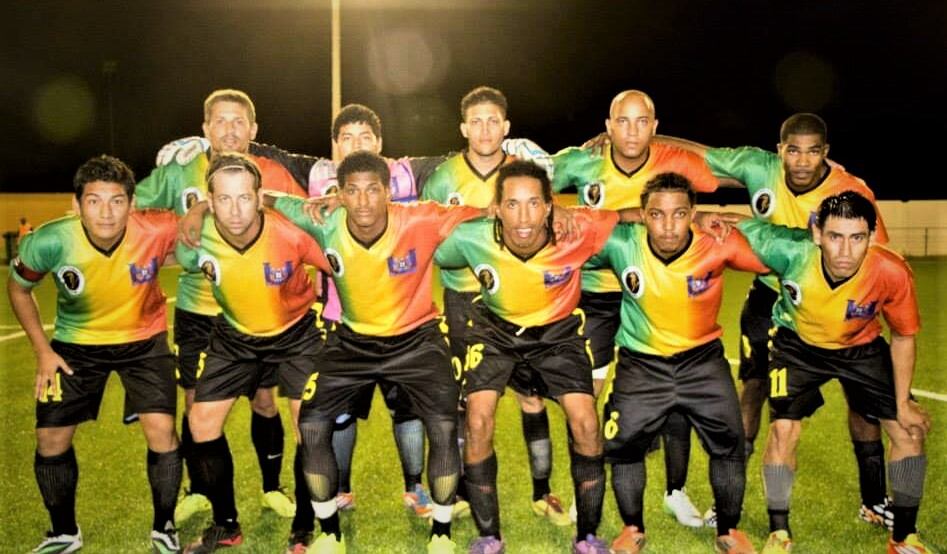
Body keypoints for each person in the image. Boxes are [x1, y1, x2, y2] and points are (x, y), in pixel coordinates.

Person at [659, 113, 894, 529]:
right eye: (793, 151)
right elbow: (697, 157)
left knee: (864, 406)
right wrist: (646, 140)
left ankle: (874, 501)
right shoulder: (758, 166)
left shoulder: (848, 190)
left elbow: (877, 250)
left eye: (813, 151)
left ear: (826, 153)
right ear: (780, 149)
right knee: (751, 391)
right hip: (769, 298)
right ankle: (727, 501)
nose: (802, 162)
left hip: (831, 302)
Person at [272, 151, 486, 553]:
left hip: (417, 339)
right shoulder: (324, 220)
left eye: (374, 190)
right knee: (313, 425)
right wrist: (200, 209)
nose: (364, 201)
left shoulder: (420, 218)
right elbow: (263, 198)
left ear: (389, 193)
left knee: (443, 426)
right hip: (351, 341)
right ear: (340, 194)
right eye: (352, 191)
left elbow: (484, 211)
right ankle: (329, 532)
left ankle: (440, 533)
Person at [435, 160, 640, 553]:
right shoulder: (472, 237)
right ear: (496, 207)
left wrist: (707, 218)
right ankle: (489, 535)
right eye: (512, 204)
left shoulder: (576, 230)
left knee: (585, 423)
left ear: (549, 206)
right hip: (495, 333)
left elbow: (630, 215)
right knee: (477, 422)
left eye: (533, 203)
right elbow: (429, 244)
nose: (523, 217)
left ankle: (587, 536)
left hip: (558, 335)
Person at [551, 89, 735, 527]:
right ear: (608, 125)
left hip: (658, 292)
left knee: (677, 397)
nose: (632, 131)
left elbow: (728, 169)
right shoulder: (581, 162)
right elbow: (534, 183)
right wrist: (562, 214)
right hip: (595, 296)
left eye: (642, 121)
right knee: (583, 398)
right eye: (623, 121)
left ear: (654, 125)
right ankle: (586, 487)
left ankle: (674, 491)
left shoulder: (675, 160)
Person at [137, 89, 306, 530]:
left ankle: (272, 487)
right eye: (220, 121)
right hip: (199, 309)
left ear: (253, 130)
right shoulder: (179, 171)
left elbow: (300, 221)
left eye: (238, 122)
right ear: (205, 128)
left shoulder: (274, 173)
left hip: (262, 311)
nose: (229, 130)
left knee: (265, 400)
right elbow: (130, 207)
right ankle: (201, 490)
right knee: (197, 406)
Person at [732, 191, 931, 554]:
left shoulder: (891, 271)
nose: (845, 251)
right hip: (796, 346)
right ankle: (779, 532)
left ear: (871, 237)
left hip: (862, 347)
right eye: (835, 237)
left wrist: (902, 402)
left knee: (909, 431)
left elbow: (903, 335)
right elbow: (736, 225)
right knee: (782, 433)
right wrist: (703, 218)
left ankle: (903, 537)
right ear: (817, 233)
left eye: (857, 238)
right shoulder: (789, 250)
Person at [8, 155, 182, 553]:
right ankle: (64, 532)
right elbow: (18, 289)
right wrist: (42, 351)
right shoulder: (51, 240)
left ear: (132, 204)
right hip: (75, 345)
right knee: (50, 438)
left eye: (117, 201)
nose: (106, 212)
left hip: (145, 341)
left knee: (162, 433)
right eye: (94, 200)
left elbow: (199, 226)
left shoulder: (156, 227)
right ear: (76, 204)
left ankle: (165, 526)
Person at [589, 172, 766, 554]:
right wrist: (621, 218)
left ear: (693, 213)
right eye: (656, 215)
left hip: (703, 362)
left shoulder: (716, 244)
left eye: (679, 214)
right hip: (640, 365)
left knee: (729, 443)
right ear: (643, 214)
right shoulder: (622, 243)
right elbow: (571, 234)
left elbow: (777, 256)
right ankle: (631, 528)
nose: (668, 227)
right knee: (624, 447)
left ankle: (729, 530)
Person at [422, 86, 573, 528]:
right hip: (464, 300)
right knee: (470, 401)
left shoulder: (522, 173)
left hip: (518, 298)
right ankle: (468, 488)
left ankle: (543, 492)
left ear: (506, 128)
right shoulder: (443, 177)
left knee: (532, 398)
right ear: (464, 127)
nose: (485, 129)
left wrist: (559, 209)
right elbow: (429, 234)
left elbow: (549, 212)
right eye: (477, 121)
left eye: (494, 121)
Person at [175, 153, 331, 553]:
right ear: (210, 201)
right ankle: (226, 524)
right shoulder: (198, 236)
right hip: (234, 336)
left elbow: (338, 264)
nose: (235, 209)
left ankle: (302, 526)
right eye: (224, 199)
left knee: (308, 429)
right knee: (201, 424)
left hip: (296, 334)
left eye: (244, 198)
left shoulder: (292, 233)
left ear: (260, 196)